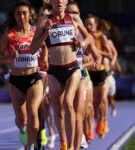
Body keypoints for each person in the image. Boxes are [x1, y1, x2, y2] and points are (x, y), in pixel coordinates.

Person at [30, 0, 101, 149]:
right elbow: (32, 49)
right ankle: (64, 143)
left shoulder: (74, 18)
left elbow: (88, 38)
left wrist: (82, 43)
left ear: (66, 1)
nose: (59, 2)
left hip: (73, 68)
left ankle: (71, 147)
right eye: (55, 0)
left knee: (68, 103)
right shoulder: (44, 20)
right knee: (59, 113)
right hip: (54, 71)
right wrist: (45, 34)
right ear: (51, 2)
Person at [0, 1, 44, 150]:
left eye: (24, 13)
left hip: (34, 78)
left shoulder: (36, 32)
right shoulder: (9, 34)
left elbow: (45, 47)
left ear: (30, 14)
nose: (21, 16)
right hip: (15, 81)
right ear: (14, 15)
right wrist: (9, 57)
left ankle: (31, 144)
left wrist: (45, 59)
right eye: (18, 13)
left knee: (33, 112)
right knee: (22, 119)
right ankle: (22, 129)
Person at [66, 1, 101, 149]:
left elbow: (97, 56)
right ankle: (67, 141)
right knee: (66, 111)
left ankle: (80, 138)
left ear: (79, 15)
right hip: (63, 75)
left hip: (82, 75)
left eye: (75, 13)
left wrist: (94, 61)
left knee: (81, 112)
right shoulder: (60, 29)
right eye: (70, 13)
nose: (72, 15)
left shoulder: (84, 35)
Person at [85, 13, 113, 139]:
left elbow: (110, 55)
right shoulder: (83, 36)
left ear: (96, 25)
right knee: (90, 103)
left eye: (91, 24)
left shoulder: (100, 37)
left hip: (99, 72)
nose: (88, 26)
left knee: (100, 102)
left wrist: (95, 50)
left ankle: (102, 121)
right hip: (88, 72)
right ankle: (91, 127)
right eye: (86, 24)